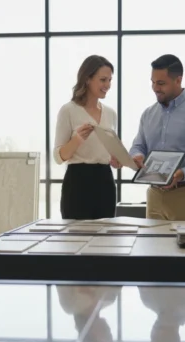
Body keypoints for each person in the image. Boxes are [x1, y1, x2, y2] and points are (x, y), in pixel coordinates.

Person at [129, 54, 185, 221]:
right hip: (154, 196)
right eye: (152, 82)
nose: (155, 88)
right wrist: (137, 155)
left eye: (161, 83)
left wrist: (183, 173)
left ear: (178, 80)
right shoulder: (148, 114)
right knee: (151, 239)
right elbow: (138, 146)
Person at [53, 55, 122, 220]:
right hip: (77, 182)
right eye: (103, 80)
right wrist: (77, 139)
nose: (107, 85)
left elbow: (112, 153)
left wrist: (117, 160)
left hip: (105, 182)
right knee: (76, 234)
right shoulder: (68, 111)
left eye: (110, 80)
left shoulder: (111, 114)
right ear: (87, 79)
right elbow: (58, 157)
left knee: (106, 234)